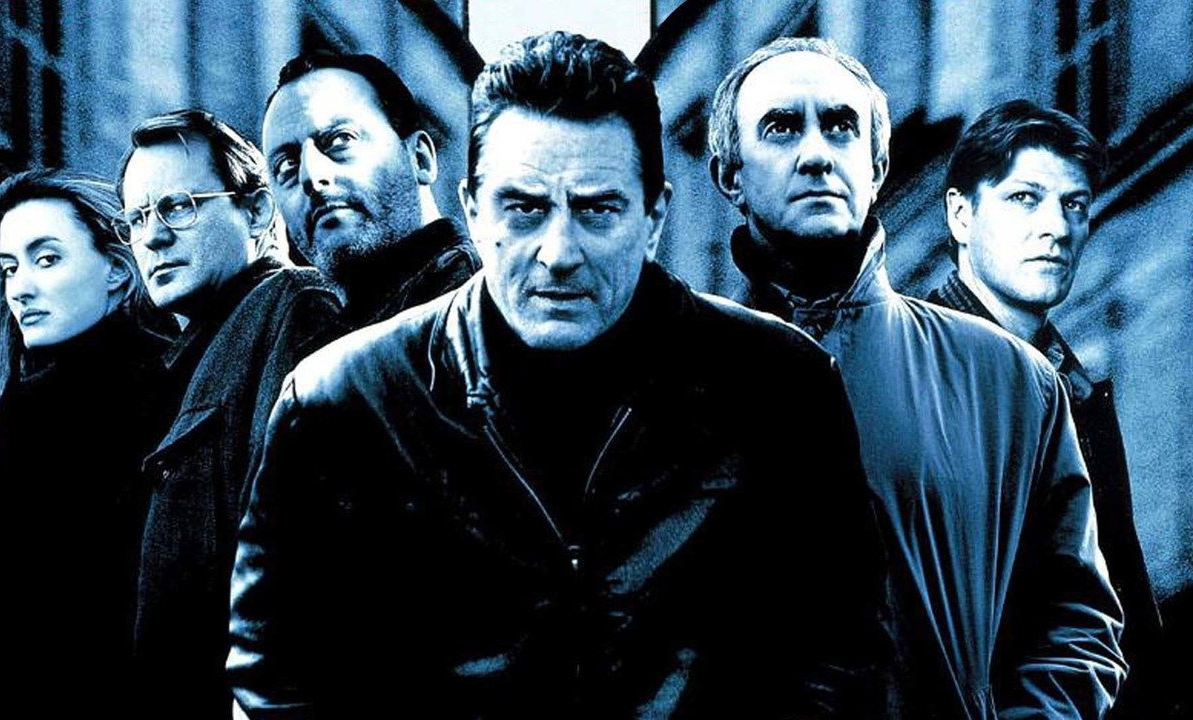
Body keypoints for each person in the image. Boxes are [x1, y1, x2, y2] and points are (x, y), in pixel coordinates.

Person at [229, 31, 888, 718]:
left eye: (597, 208)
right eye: (525, 208)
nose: (558, 252)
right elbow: (278, 677)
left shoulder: (781, 386)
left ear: (654, 217)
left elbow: (839, 664)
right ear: (473, 210)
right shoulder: (341, 402)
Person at [707, 37, 1126, 719]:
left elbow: (1074, 623)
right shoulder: (667, 380)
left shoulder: (1012, 381)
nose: (816, 153)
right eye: (781, 127)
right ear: (730, 174)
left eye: (840, 126)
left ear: (877, 165)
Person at [925, 99, 1164, 720]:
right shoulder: (914, 370)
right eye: (1025, 199)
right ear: (961, 215)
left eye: (1074, 205)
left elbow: (1123, 613)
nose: (1056, 227)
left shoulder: (1075, 389)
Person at [117, 109, 344, 719]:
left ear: (258, 210)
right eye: (137, 218)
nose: (152, 237)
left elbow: (298, 541)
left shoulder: (292, 306)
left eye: (179, 207)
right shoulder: (190, 356)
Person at [0, 169, 173, 719]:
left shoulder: (74, 409)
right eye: (10, 267)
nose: (19, 288)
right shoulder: (47, 403)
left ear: (118, 270)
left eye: (46, 259)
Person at [262, 50, 480, 326]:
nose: (312, 177)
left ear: (420, 158)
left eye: (341, 140)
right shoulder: (315, 335)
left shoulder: (479, 307)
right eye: (286, 165)